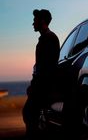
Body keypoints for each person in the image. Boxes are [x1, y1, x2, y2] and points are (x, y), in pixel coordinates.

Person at [22, 9, 60, 139]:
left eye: (35, 20)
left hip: (43, 87)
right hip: (41, 86)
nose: (33, 23)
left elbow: (46, 68)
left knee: (29, 114)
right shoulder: (45, 38)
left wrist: (35, 87)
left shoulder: (49, 39)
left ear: (42, 21)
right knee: (30, 115)